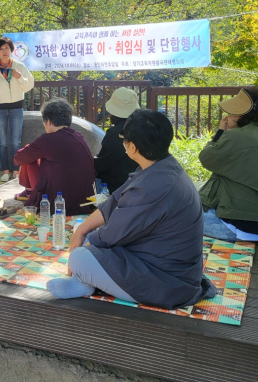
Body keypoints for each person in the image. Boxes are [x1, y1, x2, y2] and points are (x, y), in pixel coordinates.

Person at [46, 109, 216, 309]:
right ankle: (85, 281)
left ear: (132, 147)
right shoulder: (163, 166)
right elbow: (114, 202)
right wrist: (83, 229)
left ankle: (84, 280)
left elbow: (112, 234)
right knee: (82, 231)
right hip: (157, 261)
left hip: (167, 281)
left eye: (124, 140)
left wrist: (84, 244)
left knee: (80, 256)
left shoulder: (155, 185)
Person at [198, 88, 258, 242]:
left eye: (232, 112)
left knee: (176, 213)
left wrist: (220, 132)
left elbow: (206, 158)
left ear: (242, 115)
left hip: (237, 226)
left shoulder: (236, 136)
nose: (227, 117)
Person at [14, 99, 96, 215]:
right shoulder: (79, 136)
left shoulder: (47, 140)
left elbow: (18, 158)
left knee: (28, 154)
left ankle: (29, 192)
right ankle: (29, 192)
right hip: (83, 202)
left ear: (48, 122)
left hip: (57, 202)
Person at [0, 37, 34, 182]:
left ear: (11, 50)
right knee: (2, 141)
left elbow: (29, 85)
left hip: (17, 107)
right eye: (1, 49)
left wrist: (19, 78)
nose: (4, 51)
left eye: (7, 48)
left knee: (16, 141)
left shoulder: (20, 67)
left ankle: (16, 171)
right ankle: (5, 171)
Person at [94, 88, 140, 192]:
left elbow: (102, 164)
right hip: (140, 183)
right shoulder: (144, 128)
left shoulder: (117, 133)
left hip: (117, 188)